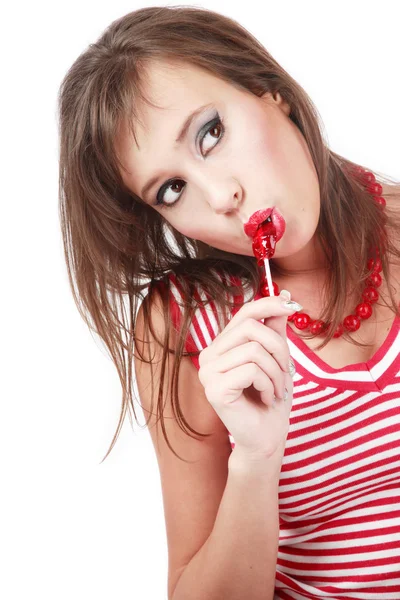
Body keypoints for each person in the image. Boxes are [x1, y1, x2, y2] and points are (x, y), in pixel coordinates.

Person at [57, 6, 400, 599]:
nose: (221, 197)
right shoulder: (185, 327)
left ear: (269, 91)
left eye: (210, 133)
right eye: (172, 189)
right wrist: (257, 459)